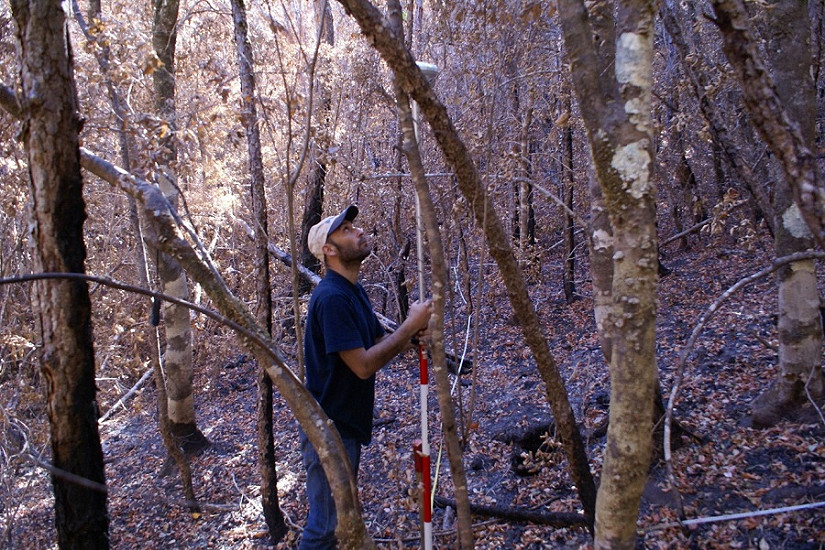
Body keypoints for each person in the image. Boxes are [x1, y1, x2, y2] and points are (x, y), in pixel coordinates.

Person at [299, 204, 432, 549]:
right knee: (324, 528)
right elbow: (362, 365)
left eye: (354, 225)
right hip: (328, 430)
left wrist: (410, 337)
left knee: (339, 523)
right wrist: (409, 327)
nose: (358, 231)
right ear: (328, 250)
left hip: (345, 426)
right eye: (346, 229)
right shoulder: (331, 299)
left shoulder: (352, 290)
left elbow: (375, 342)